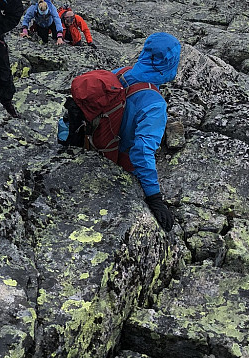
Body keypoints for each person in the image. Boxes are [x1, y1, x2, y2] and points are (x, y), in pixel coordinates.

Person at [59, 32, 181, 230]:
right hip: (121, 164)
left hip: (93, 143)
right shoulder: (155, 104)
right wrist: (154, 198)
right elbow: (142, 151)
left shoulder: (122, 72)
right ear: (170, 64)